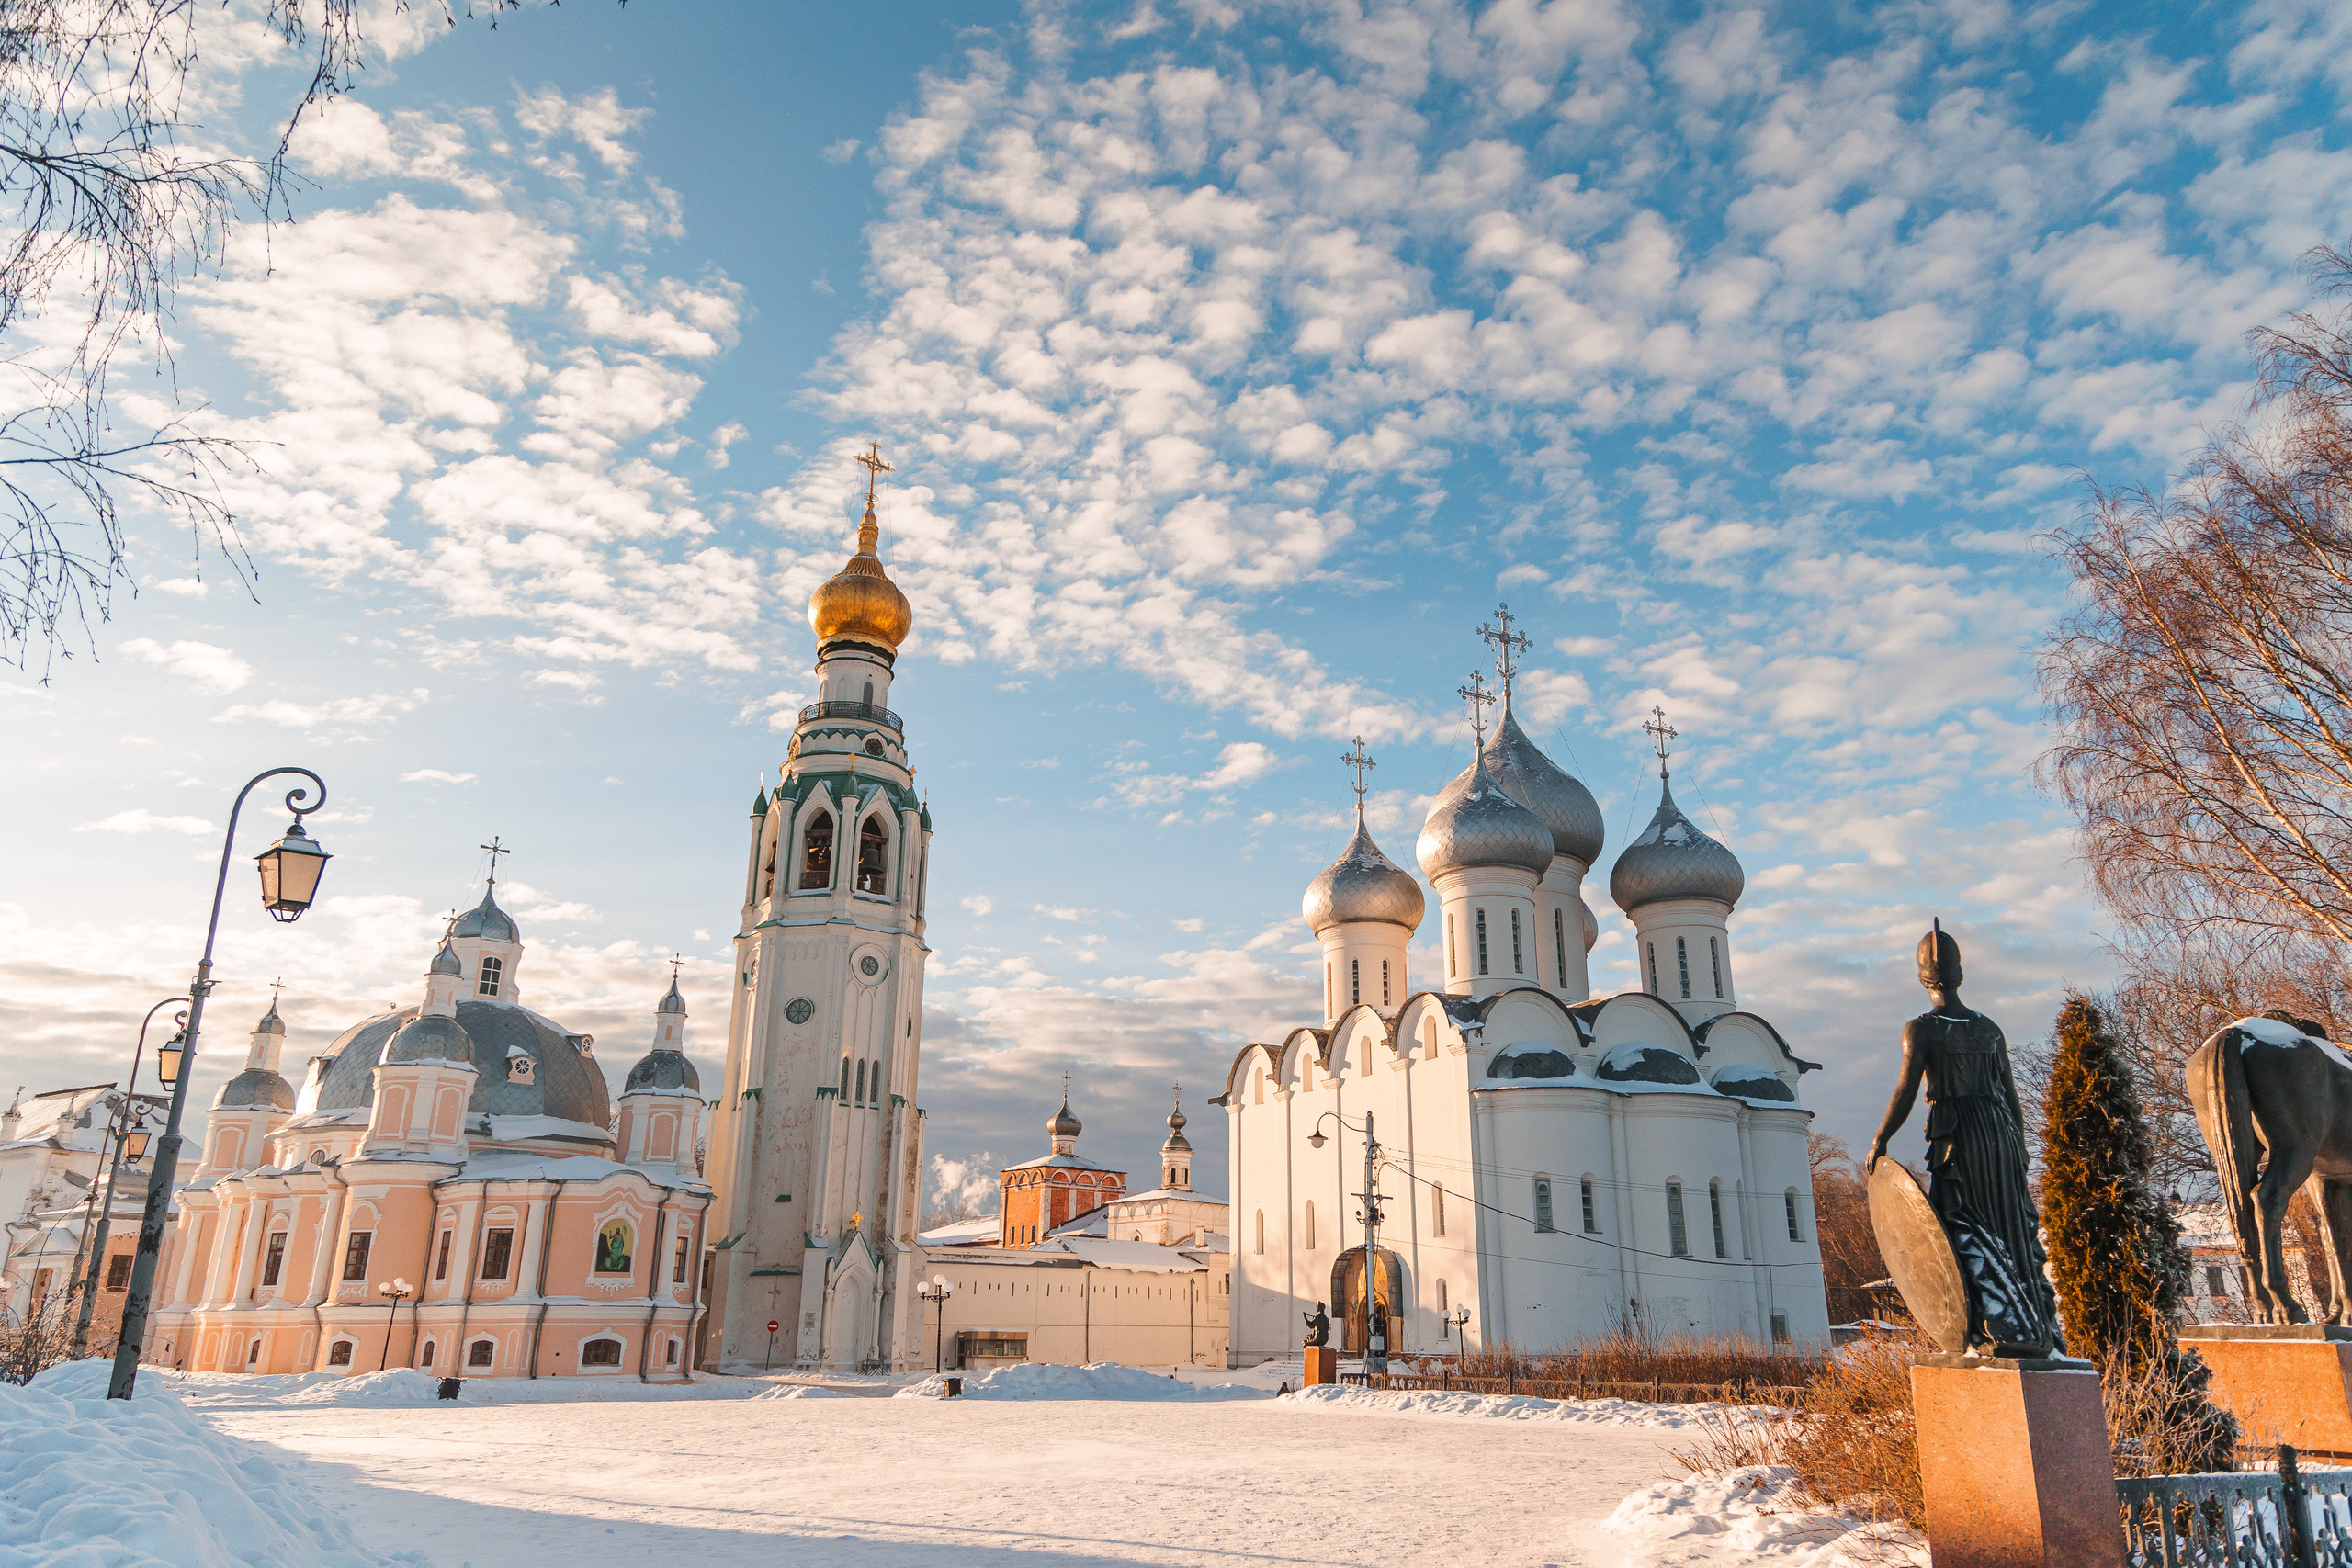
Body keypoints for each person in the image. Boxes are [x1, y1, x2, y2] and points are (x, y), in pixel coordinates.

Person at [1868, 920, 2063, 1358]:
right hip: (2000, 1135)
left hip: (1957, 1135)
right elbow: (2010, 1096)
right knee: (2011, 1229)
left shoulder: (1922, 1029)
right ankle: (2035, 1327)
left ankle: (2005, 1326)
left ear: (1923, 978)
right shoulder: (1989, 1027)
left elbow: (1905, 1091)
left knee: (1963, 1222)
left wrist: (1881, 1139)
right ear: (1960, 973)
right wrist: (2020, 1149)